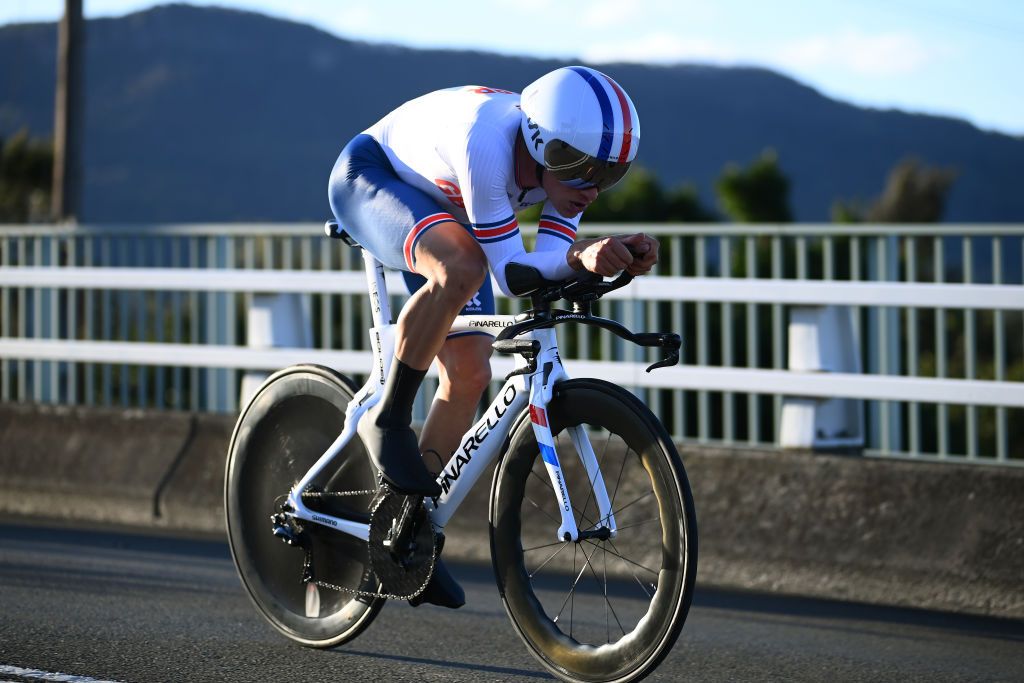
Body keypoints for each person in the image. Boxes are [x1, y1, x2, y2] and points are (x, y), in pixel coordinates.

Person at [327, 65, 659, 609]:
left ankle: (406, 530)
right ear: (540, 144)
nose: (592, 190)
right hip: (372, 175)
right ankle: (390, 419)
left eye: (610, 175)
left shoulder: (564, 178)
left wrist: (600, 258)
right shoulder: (487, 140)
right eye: (580, 170)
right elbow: (511, 275)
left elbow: (548, 263)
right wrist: (578, 258)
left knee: (471, 373)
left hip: (447, 208)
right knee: (461, 266)